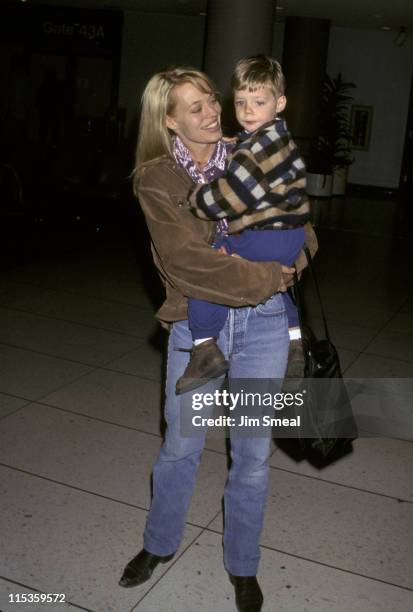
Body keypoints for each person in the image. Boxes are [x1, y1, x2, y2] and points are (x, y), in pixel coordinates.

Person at [118, 66, 317, 612]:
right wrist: (267, 276)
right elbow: (186, 263)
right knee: (181, 446)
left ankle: (243, 565)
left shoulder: (252, 148)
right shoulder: (156, 179)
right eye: (195, 107)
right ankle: (158, 546)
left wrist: (293, 260)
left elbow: (305, 228)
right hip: (198, 326)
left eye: (211, 99)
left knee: (252, 456)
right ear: (170, 121)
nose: (212, 112)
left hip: (268, 323)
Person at [176, 55, 309, 395]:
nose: (248, 110)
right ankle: (295, 340)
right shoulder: (279, 139)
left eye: (259, 102)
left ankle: (205, 346)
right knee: (283, 278)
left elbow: (228, 199)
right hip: (290, 236)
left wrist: (196, 197)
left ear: (280, 103)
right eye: (240, 102)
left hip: (264, 235)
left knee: (210, 266)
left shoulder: (258, 148)